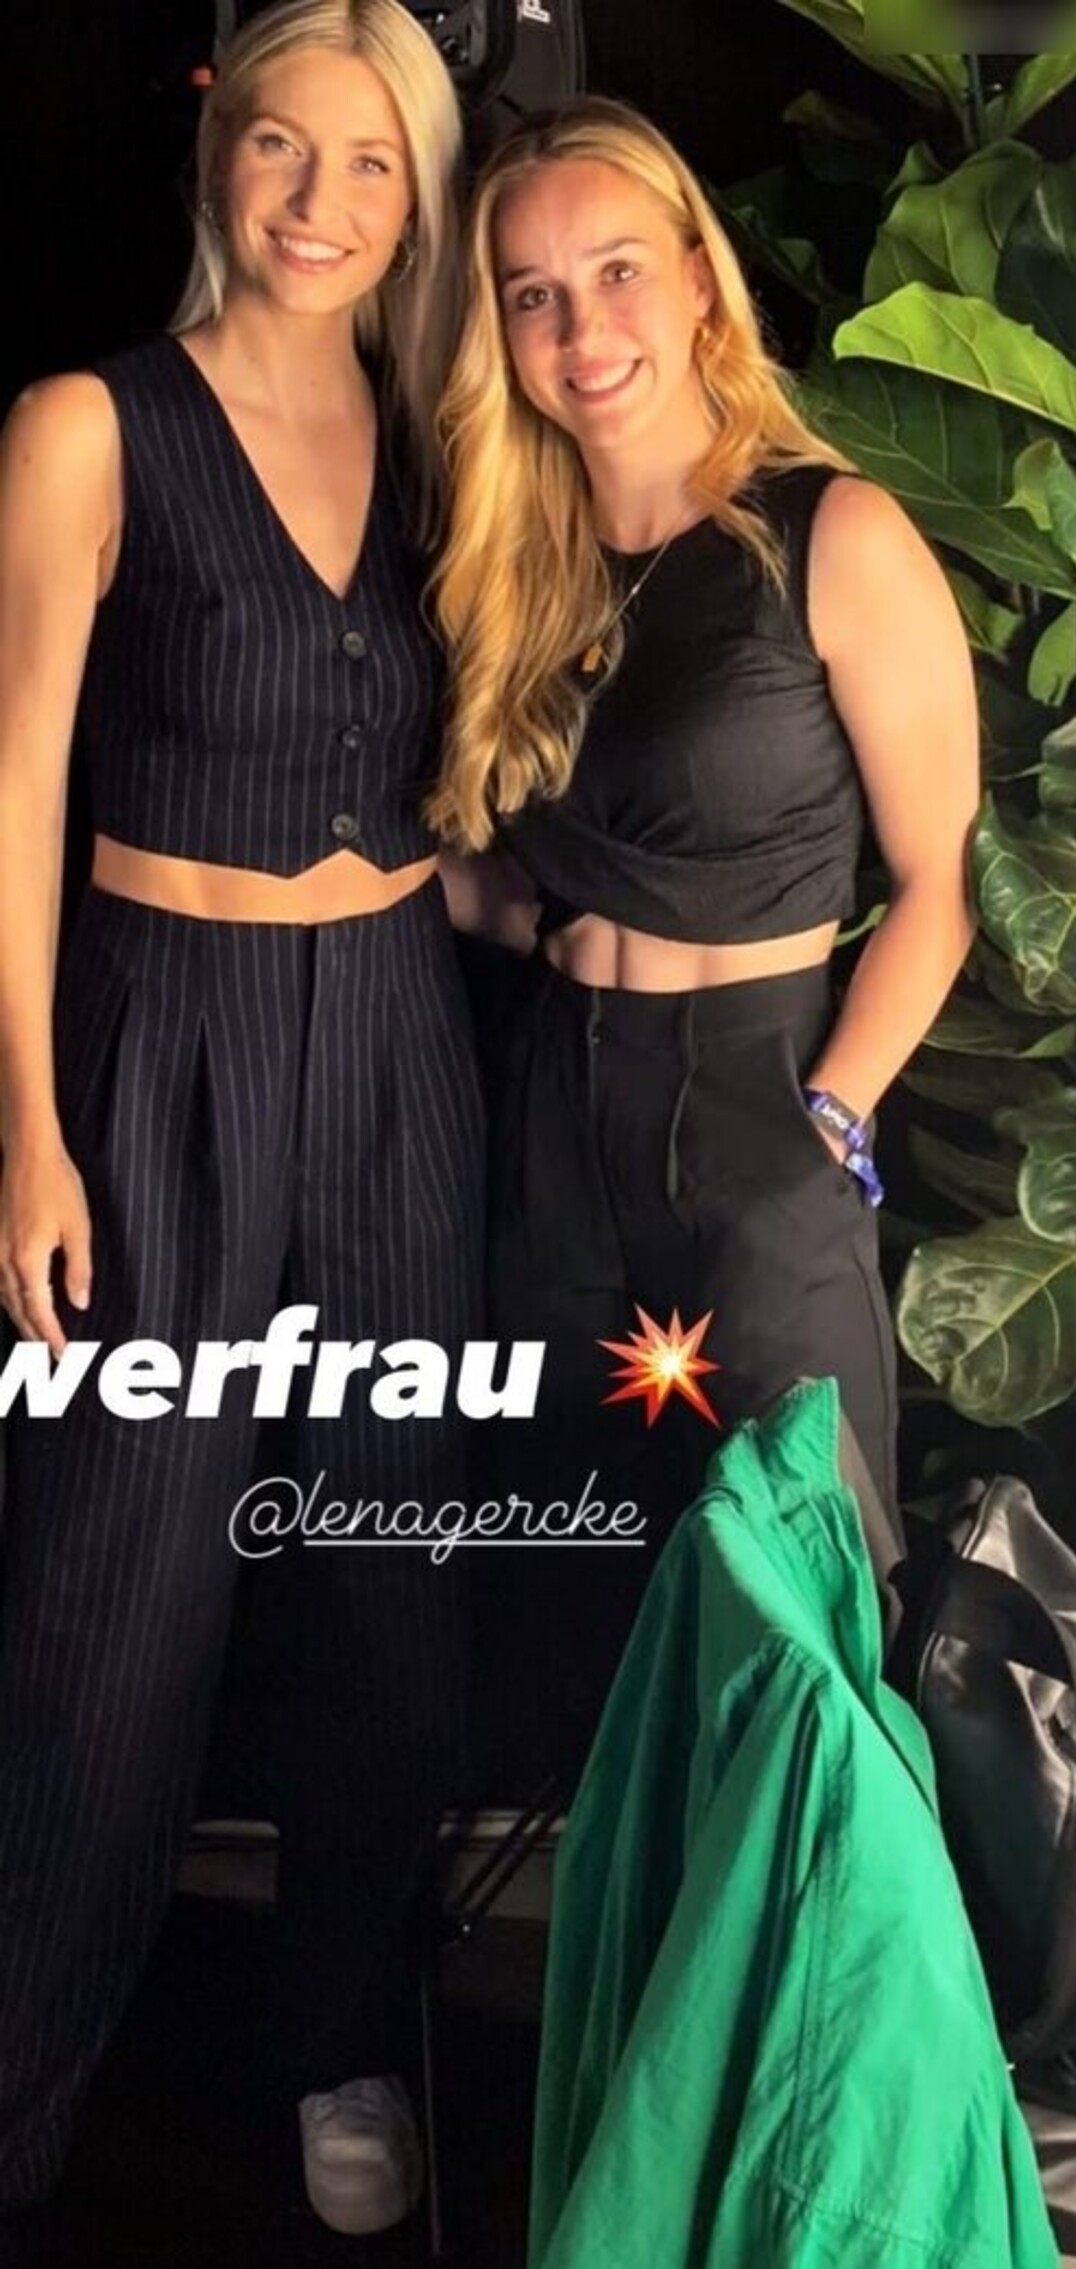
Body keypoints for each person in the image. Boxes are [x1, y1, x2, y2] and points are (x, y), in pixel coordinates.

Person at [0, 0, 482, 2251]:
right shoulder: (87, 424)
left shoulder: (446, 438)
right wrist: (29, 1124)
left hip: (397, 1036)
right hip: (156, 1039)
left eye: (371, 164)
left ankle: (339, 2037)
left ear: (418, 201)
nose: (319, 200)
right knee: (109, 1604)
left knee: (388, 1581)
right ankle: (22, 2078)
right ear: (220, 154)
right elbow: (16, 786)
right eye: (286, 146)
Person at [432, 97, 979, 1779]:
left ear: (694, 278)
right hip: (555, 1122)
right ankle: (630, 1958)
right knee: (590, 1608)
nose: (581, 328)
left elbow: (939, 888)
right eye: (532, 294)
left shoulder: (834, 533)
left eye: (615, 271)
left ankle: (826, 1965)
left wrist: (826, 1123)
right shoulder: (509, 570)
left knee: (799, 1620)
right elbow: (496, 875)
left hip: (760, 1101)